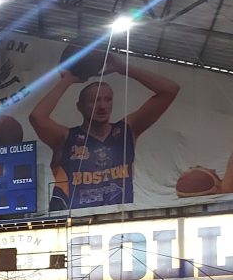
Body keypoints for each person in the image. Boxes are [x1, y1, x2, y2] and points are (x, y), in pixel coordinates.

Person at [29, 53, 179, 210]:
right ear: (79, 106)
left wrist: (124, 68)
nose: (102, 106)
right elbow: (36, 117)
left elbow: (170, 90)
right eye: (94, 101)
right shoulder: (65, 137)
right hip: (71, 222)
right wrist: (67, 80)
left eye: (107, 99)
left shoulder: (126, 130)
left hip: (115, 222)